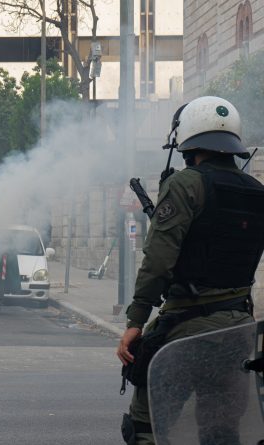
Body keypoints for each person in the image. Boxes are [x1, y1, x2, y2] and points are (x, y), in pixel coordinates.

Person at [116, 97, 264, 445]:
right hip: (239, 331)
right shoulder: (258, 192)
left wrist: (136, 321)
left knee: (145, 427)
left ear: (187, 143)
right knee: (221, 432)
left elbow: (158, 261)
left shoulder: (185, 184)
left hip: (186, 329)